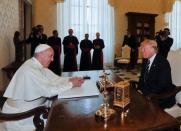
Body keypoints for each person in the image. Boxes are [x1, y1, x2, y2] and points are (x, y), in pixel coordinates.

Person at [2, 44, 84, 131]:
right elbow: (48, 91)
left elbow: (55, 80)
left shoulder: (37, 66)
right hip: (21, 117)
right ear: (40, 54)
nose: (52, 59)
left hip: (34, 109)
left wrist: (70, 79)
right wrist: (71, 84)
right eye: (50, 56)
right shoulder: (30, 69)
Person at [139, 39, 176, 109]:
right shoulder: (146, 60)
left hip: (161, 97)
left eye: (144, 48)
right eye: (141, 48)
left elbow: (161, 85)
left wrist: (145, 94)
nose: (141, 50)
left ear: (153, 49)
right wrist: (139, 90)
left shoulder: (163, 63)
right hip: (149, 94)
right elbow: (142, 78)